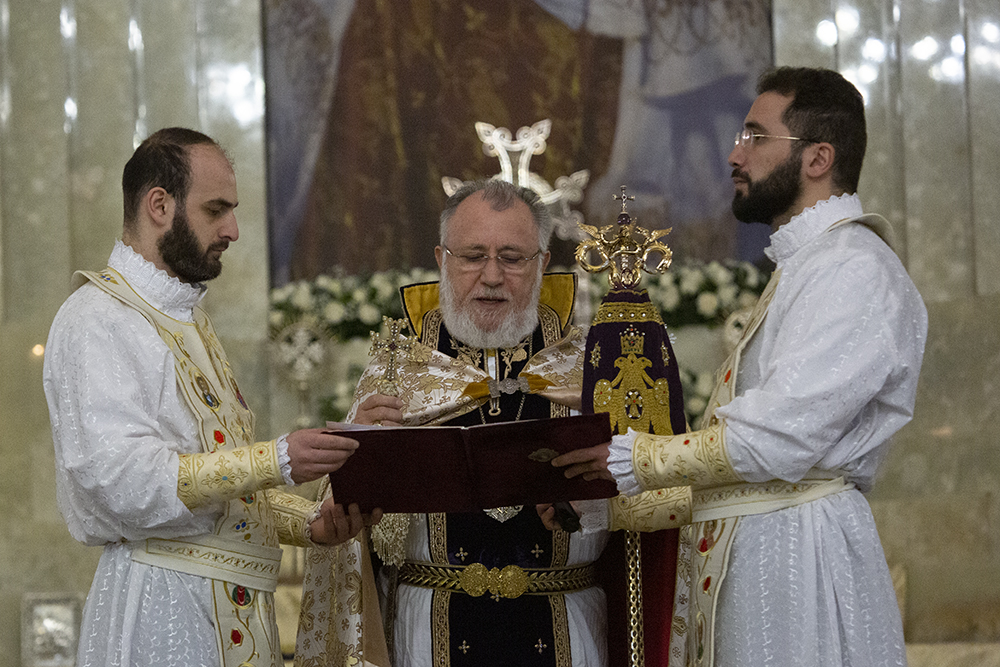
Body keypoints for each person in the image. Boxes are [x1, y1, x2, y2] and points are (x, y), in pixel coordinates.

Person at [554, 66, 928, 666]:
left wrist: (628, 458)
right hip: (762, 550)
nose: (734, 154)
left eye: (756, 137)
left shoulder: (853, 269)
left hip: (797, 566)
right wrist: (602, 500)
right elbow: (739, 471)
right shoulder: (807, 267)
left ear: (817, 157)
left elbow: (776, 440)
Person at [297, 179, 675, 667]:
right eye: (473, 255)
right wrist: (360, 451)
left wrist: (607, 497)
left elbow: (661, 501)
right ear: (442, 259)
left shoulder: (592, 365)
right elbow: (342, 526)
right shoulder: (399, 368)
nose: (491, 275)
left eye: (512, 257)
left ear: (541, 262)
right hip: (427, 632)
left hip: (569, 628)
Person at [42, 127, 376, 667]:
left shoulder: (186, 317)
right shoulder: (98, 319)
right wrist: (278, 458)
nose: (234, 229)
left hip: (234, 608)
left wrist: (306, 523)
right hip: (165, 608)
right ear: (159, 205)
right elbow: (120, 480)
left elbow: (222, 500)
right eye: (216, 210)